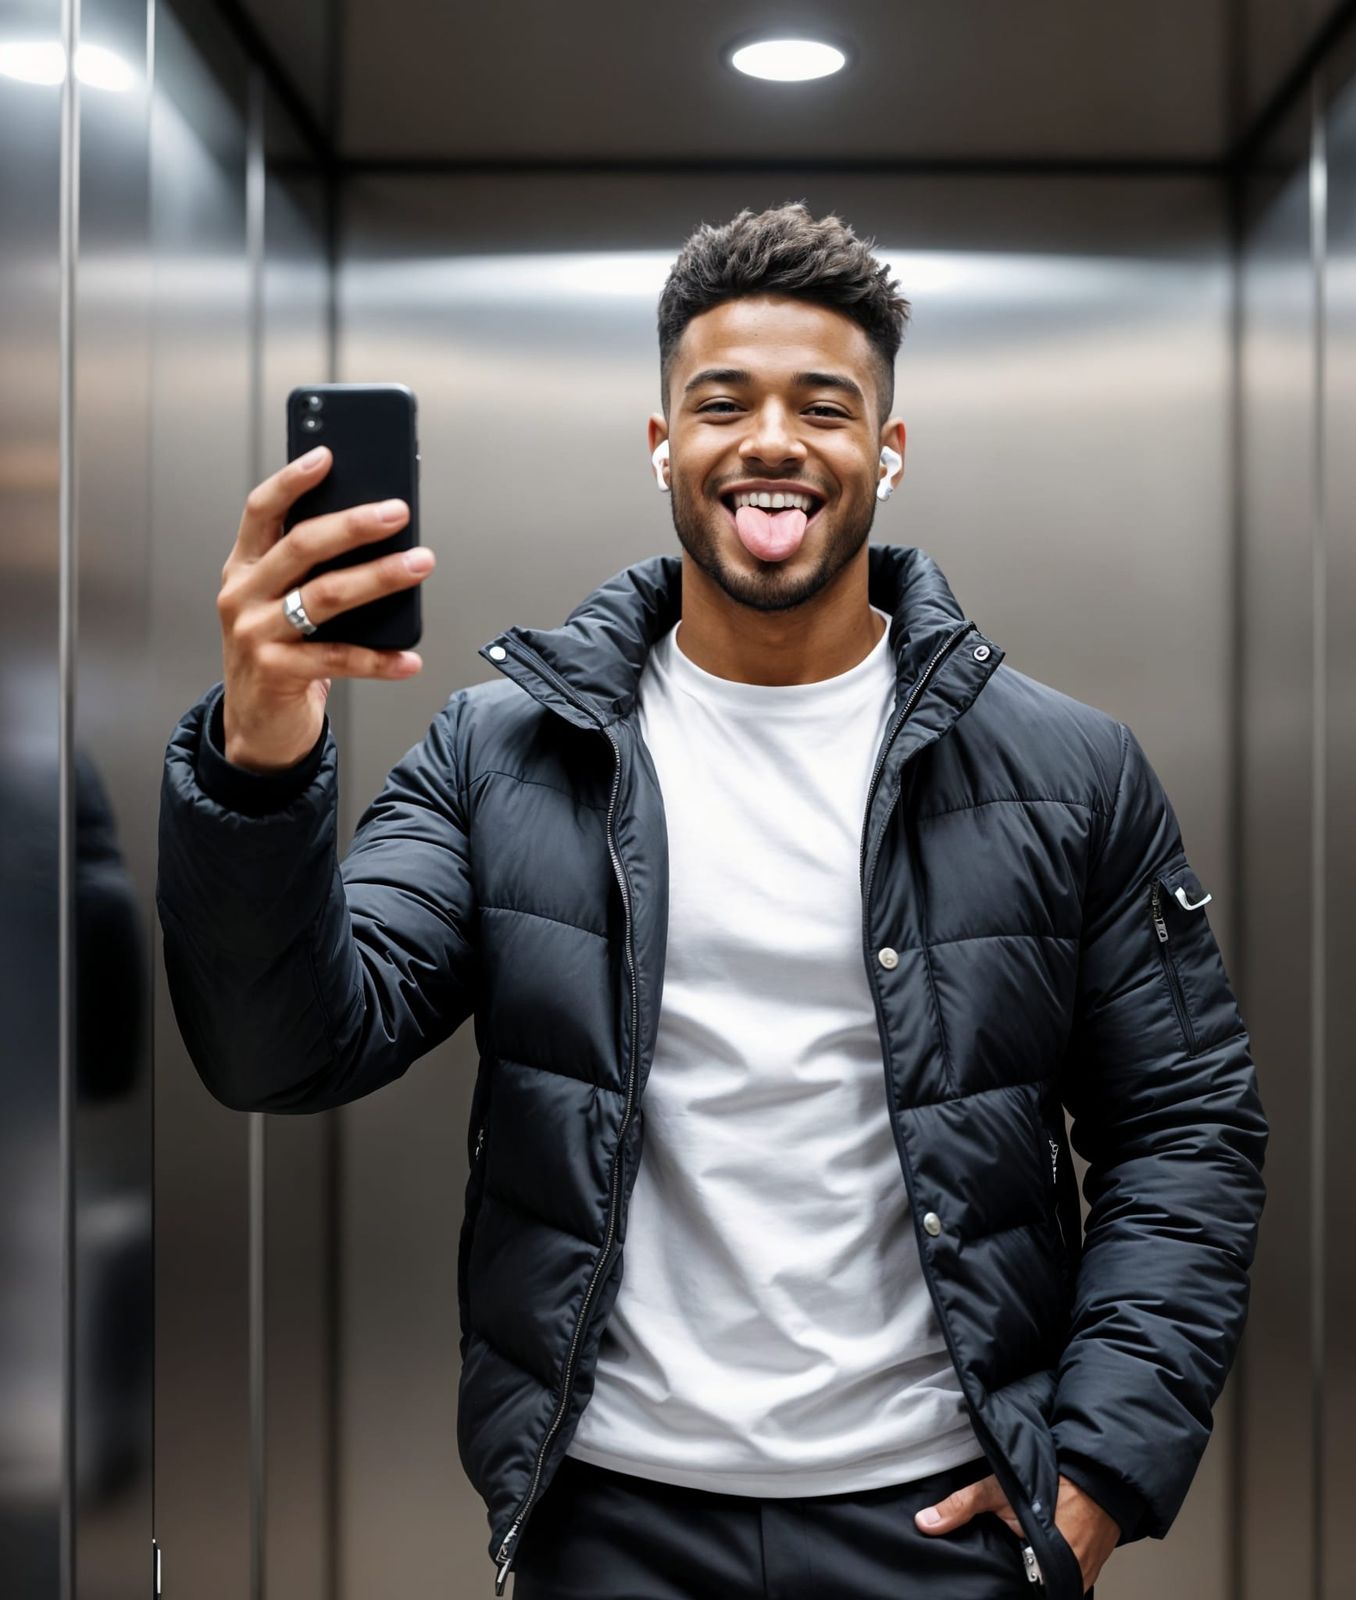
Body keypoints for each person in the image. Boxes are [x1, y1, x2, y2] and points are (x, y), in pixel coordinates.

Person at [158, 202, 1268, 1599]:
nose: (773, 443)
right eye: (722, 402)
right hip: (613, 1522)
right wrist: (262, 756)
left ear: (891, 449)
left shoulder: (1068, 769)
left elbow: (1187, 1131)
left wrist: (1100, 1472)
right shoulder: (502, 757)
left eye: (826, 405)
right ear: (662, 444)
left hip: (945, 1524)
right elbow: (282, 1048)